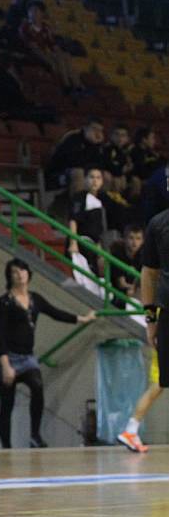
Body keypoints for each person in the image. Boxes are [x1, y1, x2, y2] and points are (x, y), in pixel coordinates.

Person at [0, 258, 95, 448]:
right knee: (7, 403)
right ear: (9, 276)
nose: (20, 275)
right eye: (15, 272)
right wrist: (5, 366)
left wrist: (82, 319)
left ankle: (35, 435)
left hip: (27, 357)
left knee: (37, 386)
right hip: (7, 356)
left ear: (28, 273)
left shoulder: (35, 299)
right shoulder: (4, 302)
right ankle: (6, 447)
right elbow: (0, 336)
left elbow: (55, 313)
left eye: (23, 270)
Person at [119, 211, 169, 453]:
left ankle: (131, 428)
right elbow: (148, 274)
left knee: (157, 386)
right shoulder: (159, 224)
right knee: (158, 384)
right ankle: (131, 429)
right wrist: (150, 321)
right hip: (164, 319)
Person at [19, 0, 83, 93]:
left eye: (36, 10)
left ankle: (77, 85)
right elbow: (32, 46)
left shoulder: (46, 28)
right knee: (56, 60)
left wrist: (60, 52)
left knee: (65, 56)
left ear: (42, 13)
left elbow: (52, 44)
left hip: (45, 52)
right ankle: (67, 85)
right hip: (32, 53)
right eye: (30, 11)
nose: (32, 13)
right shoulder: (25, 27)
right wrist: (49, 56)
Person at [67, 166, 111, 275]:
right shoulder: (79, 197)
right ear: (85, 179)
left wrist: (100, 251)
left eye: (98, 178)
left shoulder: (103, 199)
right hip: (81, 243)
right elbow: (73, 220)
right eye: (92, 177)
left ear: (102, 181)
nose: (95, 181)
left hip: (95, 246)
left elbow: (98, 230)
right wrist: (73, 243)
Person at [45, 117, 104, 194]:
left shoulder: (97, 143)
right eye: (94, 129)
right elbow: (73, 163)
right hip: (58, 174)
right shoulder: (73, 138)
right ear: (85, 128)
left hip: (83, 172)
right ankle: (78, 201)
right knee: (78, 172)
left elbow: (100, 163)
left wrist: (96, 145)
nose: (97, 133)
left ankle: (97, 200)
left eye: (100, 130)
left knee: (101, 175)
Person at [109, 224, 144, 305]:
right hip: (116, 293)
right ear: (125, 239)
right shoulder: (118, 253)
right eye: (131, 238)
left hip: (134, 292)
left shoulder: (144, 256)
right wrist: (134, 289)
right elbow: (121, 284)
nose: (134, 242)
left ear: (143, 241)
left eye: (138, 239)